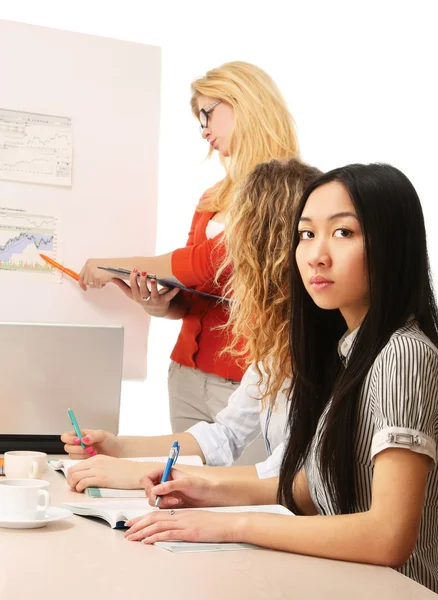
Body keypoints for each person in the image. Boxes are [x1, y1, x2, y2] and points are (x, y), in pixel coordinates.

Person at [124, 163, 438, 593]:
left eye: (343, 233)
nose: (316, 254)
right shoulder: (351, 350)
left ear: (392, 245)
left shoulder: (404, 353)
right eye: (307, 234)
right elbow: (313, 490)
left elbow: (388, 536)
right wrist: (203, 491)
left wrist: (231, 527)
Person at [61, 159, 322, 492]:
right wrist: (118, 447)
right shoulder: (281, 343)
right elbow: (224, 435)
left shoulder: (327, 348)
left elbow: (291, 478)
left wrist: (155, 475)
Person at [77, 61, 300, 433]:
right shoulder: (213, 197)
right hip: (186, 375)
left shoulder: (289, 190)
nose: (204, 131)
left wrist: (111, 264)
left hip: (250, 383)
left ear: (244, 101)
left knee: (249, 491)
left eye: (207, 114)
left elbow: (206, 263)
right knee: (185, 486)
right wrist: (160, 304)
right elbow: (195, 292)